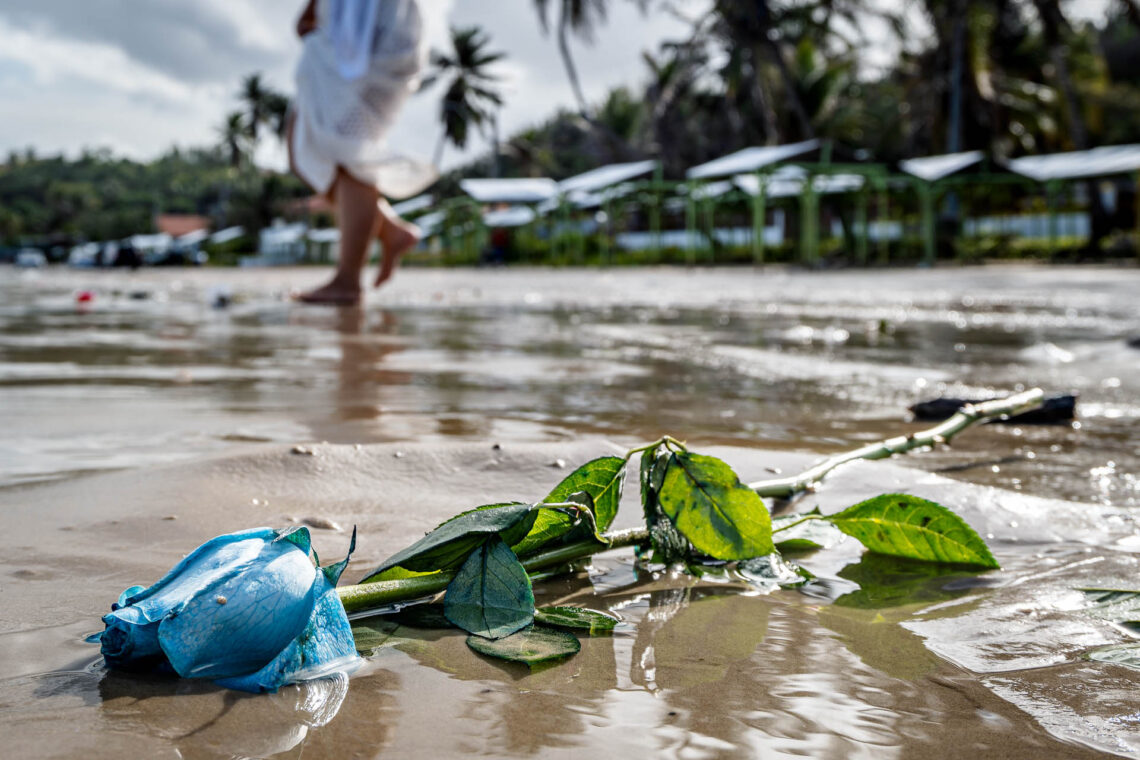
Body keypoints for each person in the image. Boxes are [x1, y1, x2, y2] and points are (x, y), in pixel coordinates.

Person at [290, 0, 438, 305]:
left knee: (348, 153)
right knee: (307, 143)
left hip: (373, 34)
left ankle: (348, 280)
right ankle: (390, 231)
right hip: (351, 33)